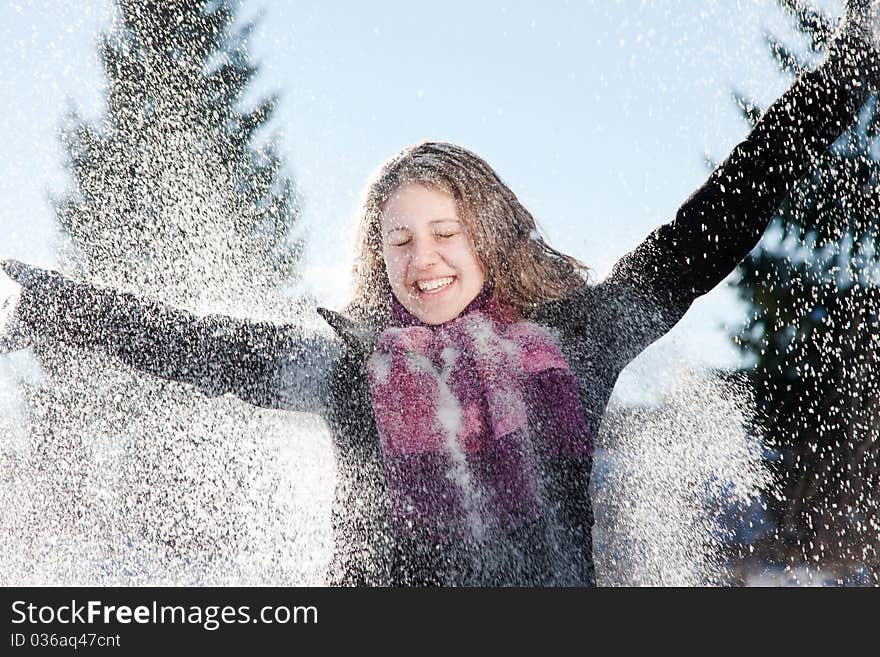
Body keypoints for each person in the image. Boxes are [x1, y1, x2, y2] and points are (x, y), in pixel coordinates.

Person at [2, 2, 879, 586]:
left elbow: (713, 221)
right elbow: (190, 343)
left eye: (446, 233)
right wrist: (36, 303)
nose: (424, 260)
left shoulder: (577, 342)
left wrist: (845, 72)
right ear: (376, 257)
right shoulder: (347, 369)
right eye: (400, 240)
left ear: (487, 236)